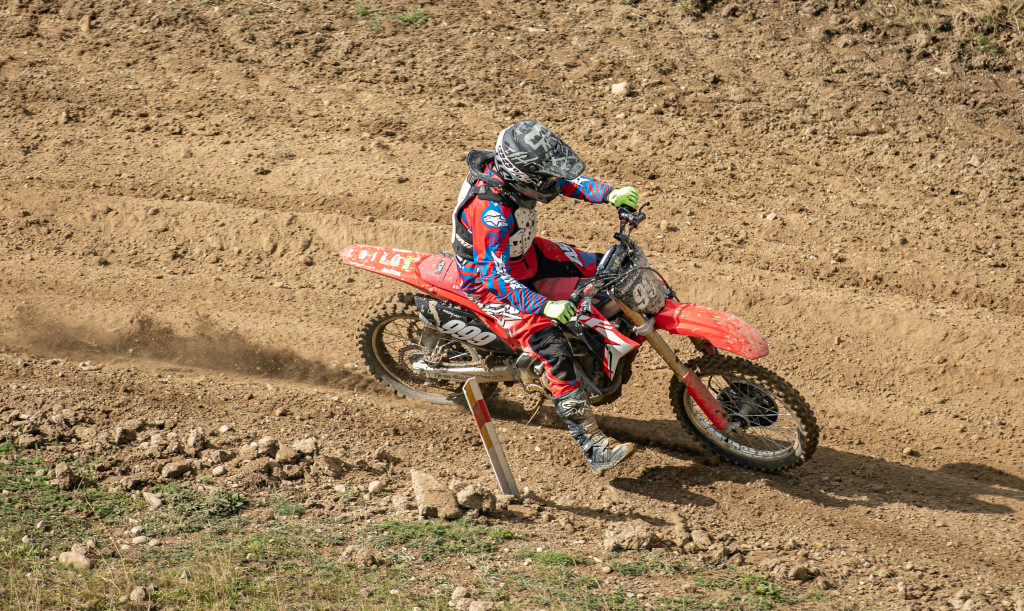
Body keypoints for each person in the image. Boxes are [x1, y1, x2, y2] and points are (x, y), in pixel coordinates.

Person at [450, 119, 640, 475]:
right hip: (490, 285)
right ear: (522, 176)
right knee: (553, 349)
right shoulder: (491, 213)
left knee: (613, 269)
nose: (549, 182)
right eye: (541, 177)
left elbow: (560, 180)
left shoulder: (517, 175)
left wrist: (608, 194)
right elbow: (494, 277)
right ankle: (592, 446)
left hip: (525, 255)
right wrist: (544, 306)